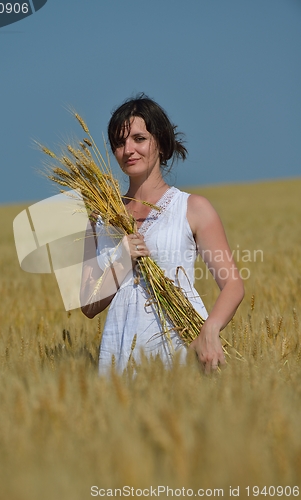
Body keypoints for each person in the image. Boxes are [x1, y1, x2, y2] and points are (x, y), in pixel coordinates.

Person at [80, 94, 244, 374]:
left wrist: (210, 330)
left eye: (139, 138)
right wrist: (122, 260)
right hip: (120, 354)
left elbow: (233, 285)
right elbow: (88, 305)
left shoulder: (192, 208)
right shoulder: (99, 217)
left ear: (161, 142)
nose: (128, 149)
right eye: (119, 143)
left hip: (181, 348)